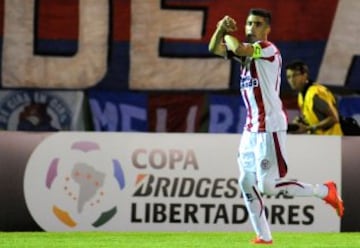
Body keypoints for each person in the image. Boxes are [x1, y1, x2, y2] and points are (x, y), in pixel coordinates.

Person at [208, 8, 344, 244]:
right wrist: (221, 28)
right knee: (245, 182)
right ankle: (264, 236)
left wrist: (230, 34)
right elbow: (214, 48)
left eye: (257, 24)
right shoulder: (246, 58)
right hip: (250, 129)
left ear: (267, 29)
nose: (252, 28)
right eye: (249, 23)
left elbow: (237, 47)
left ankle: (325, 191)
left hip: (270, 127)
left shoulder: (268, 50)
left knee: (267, 186)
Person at [285, 60, 343, 135]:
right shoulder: (301, 95)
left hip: (333, 140)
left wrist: (310, 128)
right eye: (288, 77)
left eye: (295, 75)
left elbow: (334, 118)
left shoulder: (315, 93)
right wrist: (301, 121)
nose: (291, 80)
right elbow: (316, 118)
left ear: (305, 75)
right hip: (319, 140)